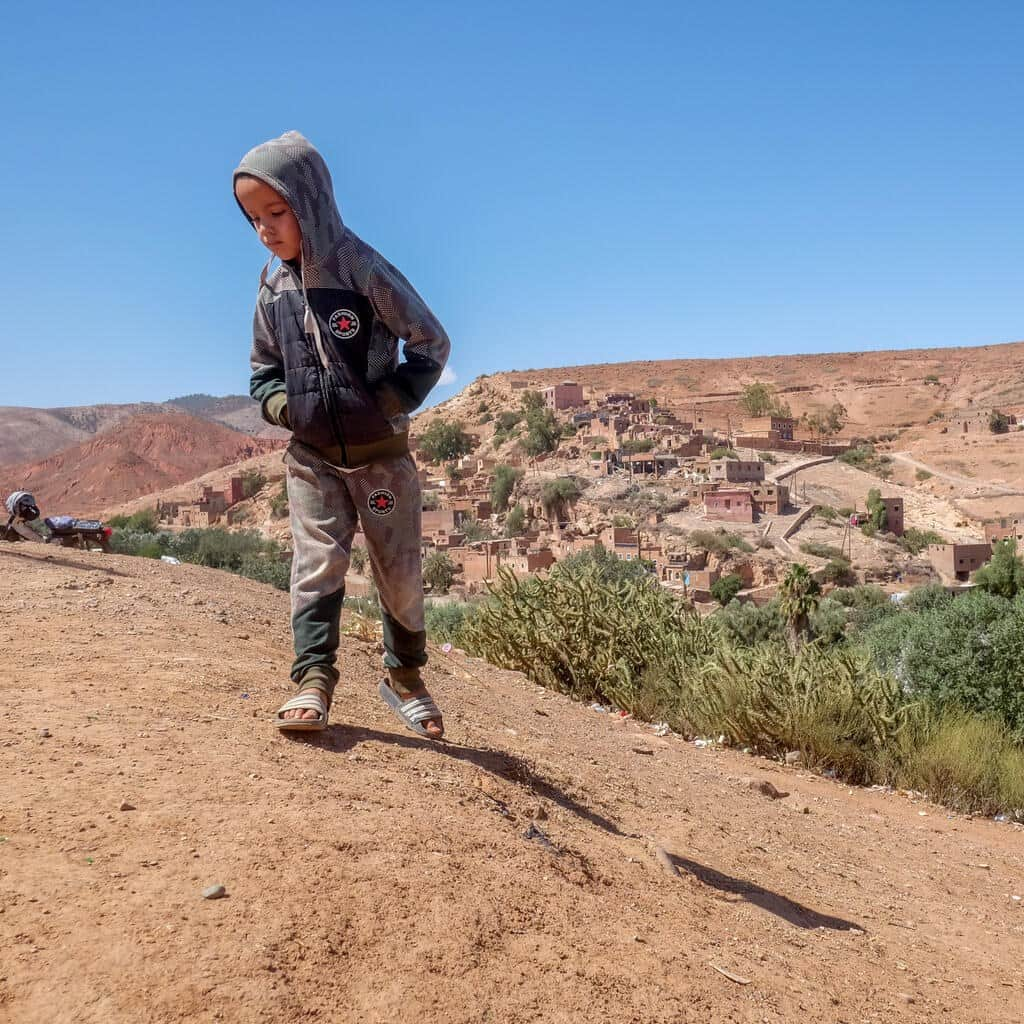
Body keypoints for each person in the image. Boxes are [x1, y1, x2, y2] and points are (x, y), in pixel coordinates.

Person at [232, 131, 450, 739]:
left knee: (399, 570)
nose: (266, 231)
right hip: (311, 459)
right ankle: (312, 680)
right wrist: (286, 408)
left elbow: (431, 341)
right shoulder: (271, 288)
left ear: (312, 203)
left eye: (277, 213)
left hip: (381, 458)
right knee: (316, 565)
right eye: (254, 219)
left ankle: (404, 679)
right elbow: (261, 370)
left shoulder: (361, 268)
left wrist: (386, 401)